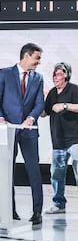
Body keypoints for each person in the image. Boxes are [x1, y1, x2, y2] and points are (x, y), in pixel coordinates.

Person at [0, 43, 44, 225]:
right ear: (26, 56)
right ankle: (9, 210)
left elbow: (39, 104)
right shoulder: (4, 73)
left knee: (34, 171)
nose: (39, 62)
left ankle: (37, 212)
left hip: (28, 132)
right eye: (37, 58)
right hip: (7, 131)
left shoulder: (38, 78)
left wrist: (31, 118)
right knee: (7, 172)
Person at [41, 62, 78, 214]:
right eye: (54, 74)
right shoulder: (52, 93)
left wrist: (64, 106)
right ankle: (59, 204)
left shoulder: (74, 89)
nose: (56, 77)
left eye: (59, 74)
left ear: (67, 75)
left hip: (75, 140)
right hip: (58, 142)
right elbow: (44, 112)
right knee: (56, 174)